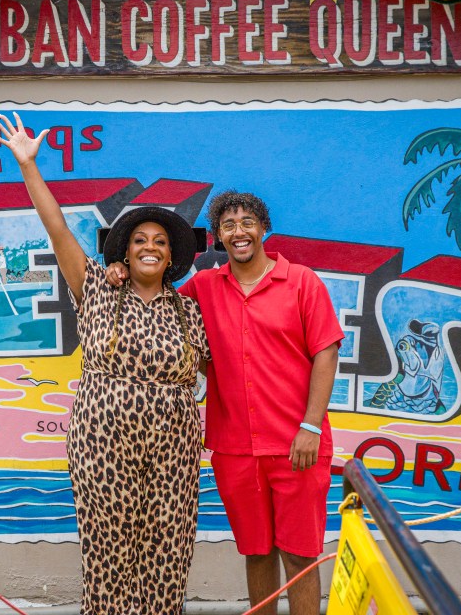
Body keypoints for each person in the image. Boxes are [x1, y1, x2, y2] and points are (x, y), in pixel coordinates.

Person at [0, 113, 211, 615]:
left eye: (160, 241)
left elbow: (220, 366)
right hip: (102, 440)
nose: (150, 247)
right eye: (139, 240)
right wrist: (29, 166)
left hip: (174, 446)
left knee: (168, 551)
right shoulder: (95, 288)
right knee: (109, 552)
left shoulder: (189, 308)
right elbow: (57, 230)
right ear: (126, 252)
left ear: (172, 254)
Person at [109, 191, 342, 615]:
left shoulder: (302, 281)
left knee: (300, 555)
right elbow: (157, 293)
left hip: (298, 446)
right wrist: (118, 269)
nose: (240, 232)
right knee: (256, 552)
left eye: (247, 222)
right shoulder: (204, 287)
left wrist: (311, 426)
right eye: (229, 225)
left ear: (263, 229)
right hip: (235, 449)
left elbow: (326, 351)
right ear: (217, 236)